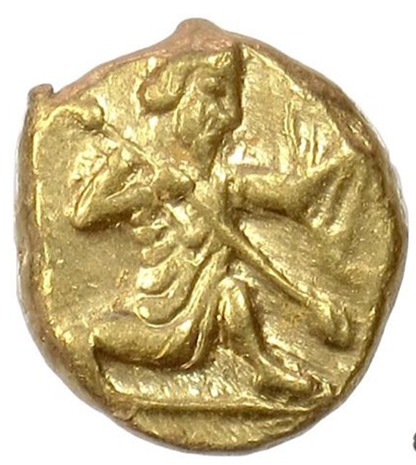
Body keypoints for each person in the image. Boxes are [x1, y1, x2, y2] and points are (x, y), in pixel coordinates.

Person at [69, 45, 357, 399]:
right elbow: (84, 214)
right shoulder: (139, 164)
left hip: (203, 317)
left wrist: (342, 168)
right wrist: (149, 191)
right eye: (213, 93)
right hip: (153, 319)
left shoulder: (221, 184)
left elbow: (288, 201)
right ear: (178, 99)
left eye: (231, 104)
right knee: (92, 337)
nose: (229, 116)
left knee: (231, 290)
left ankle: (264, 370)